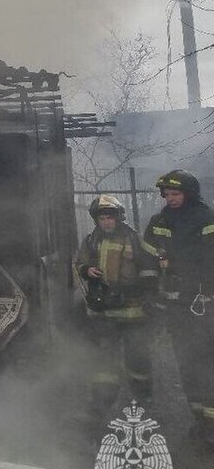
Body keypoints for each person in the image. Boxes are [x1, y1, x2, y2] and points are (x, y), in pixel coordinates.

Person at [143, 170, 214, 444]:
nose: (170, 198)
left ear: (190, 193)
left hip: (203, 305)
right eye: (167, 194)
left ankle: (210, 424)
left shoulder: (206, 219)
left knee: (206, 361)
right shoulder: (159, 221)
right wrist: (150, 293)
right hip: (175, 306)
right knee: (185, 362)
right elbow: (148, 262)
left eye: (176, 194)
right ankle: (200, 419)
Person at [73, 195, 158, 414]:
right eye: (101, 218)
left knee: (137, 358)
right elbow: (79, 262)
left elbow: (148, 267)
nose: (106, 222)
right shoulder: (91, 240)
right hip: (103, 312)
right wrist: (87, 270)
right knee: (103, 359)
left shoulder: (133, 239)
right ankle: (101, 402)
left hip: (132, 311)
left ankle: (143, 399)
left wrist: (149, 296)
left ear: (118, 218)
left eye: (109, 218)